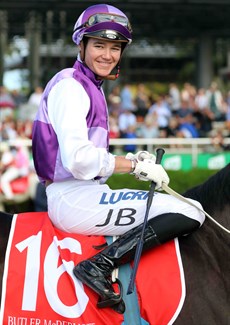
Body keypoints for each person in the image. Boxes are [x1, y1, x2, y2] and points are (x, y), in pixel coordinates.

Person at [32, 4, 205, 314]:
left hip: (88, 193)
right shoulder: (71, 86)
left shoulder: (90, 87)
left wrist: (131, 162)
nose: (107, 55)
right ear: (81, 45)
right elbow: (80, 161)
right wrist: (136, 167)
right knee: (191, 212)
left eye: (115, 48)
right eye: (99, 45)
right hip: (72, 199)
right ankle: (98, 265)